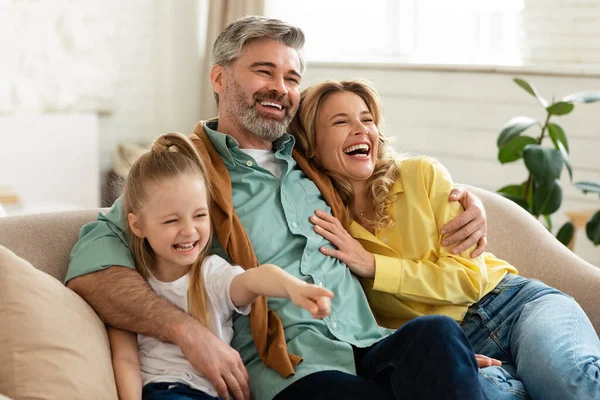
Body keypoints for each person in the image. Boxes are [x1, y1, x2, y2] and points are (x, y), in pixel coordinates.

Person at [66, 16, 489, 400]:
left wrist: (469, 202)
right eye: (263, 71)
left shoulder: (311, 158)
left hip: (368, 343)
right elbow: (92, 266)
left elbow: (384, 172)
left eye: (292, 77)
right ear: (219, 77)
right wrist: (186, 330)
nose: (280, 88)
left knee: (439, 335)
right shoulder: (185, 171)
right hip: (297, 371)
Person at [289, 79, 600, 400]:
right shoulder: (324, 223)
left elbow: (468, 278)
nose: (360, 129)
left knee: (567, 383)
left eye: (367, 119)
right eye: (340, 121)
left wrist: (373, 266)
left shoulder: (421, 175)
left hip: (515, 305)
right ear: (311, 143)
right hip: (453, 344)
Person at [108, 132, 334, 400]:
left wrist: (294, 288)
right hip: (165, 391)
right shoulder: (133, 290)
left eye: (200, 216)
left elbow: (255, 279)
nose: (189, 231)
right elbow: (125, 361)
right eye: (171, 221)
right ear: (137, 225)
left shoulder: (211, 275)